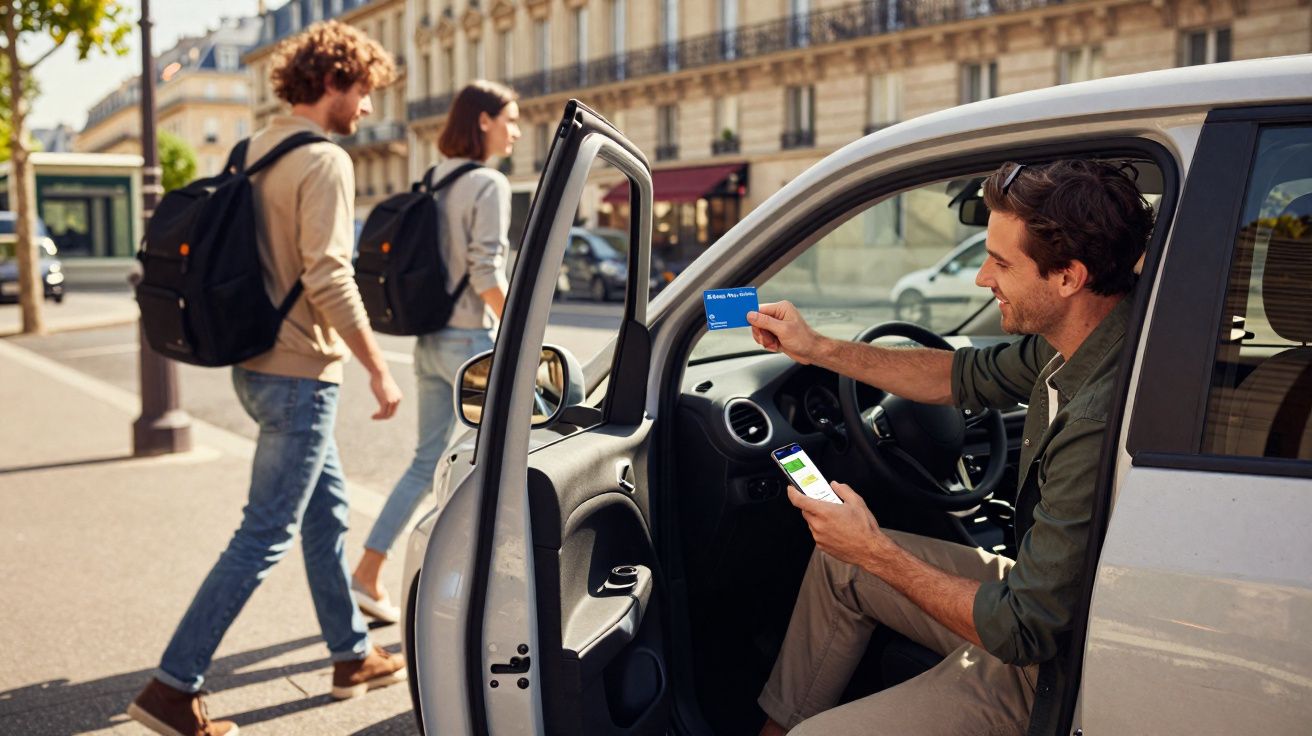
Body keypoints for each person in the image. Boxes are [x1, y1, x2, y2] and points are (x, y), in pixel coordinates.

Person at [747, 160, 1155, 735]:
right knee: (839, 564)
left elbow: (1024, 629)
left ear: (1068, 276)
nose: (981, 278)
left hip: (1055, 667)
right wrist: (815, 348)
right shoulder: (1086, 339)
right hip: (1042, 600)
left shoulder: (1095, 418)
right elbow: (957, 376)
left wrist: (874, 549)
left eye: (1002, 262)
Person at [128, 22, 406, 736]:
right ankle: (172, 687)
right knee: (263, 535)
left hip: (255, 364)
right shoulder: (325, 162)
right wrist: (378, 370)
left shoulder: (254, 149)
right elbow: (326, 276)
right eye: (363, 92)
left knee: (327, 514)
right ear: (333, 82)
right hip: (299, 377)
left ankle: (351, 655)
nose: (367, 109)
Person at [350, 80, 520, 622]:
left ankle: (369, 570)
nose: (516, 130)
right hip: (472, 342)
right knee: (509, 462)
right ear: (485, 121)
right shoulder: (488, 183)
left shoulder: (434, 179)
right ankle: (476, 587)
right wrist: (521, 323)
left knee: (426, 464)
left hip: (429, 340)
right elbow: (485, 268)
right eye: (510, 120)